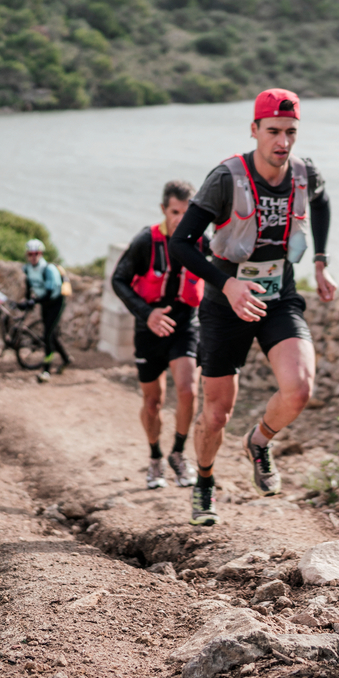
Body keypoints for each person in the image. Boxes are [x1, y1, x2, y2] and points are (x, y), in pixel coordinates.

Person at [168, 88, 336, 526]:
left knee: (299, 388)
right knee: (217, 411)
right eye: (274, 131)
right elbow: (181, 244)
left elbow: (321, 202)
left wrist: (320, 261)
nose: (283, 142)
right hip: (227, 303)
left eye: (291, 132)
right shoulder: (226, 178)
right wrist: (226, 286)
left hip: (278, 295)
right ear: (255, 130)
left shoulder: (304, 173)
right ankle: (204, 481)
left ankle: (259, 441)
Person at [111, 180, 207, 490]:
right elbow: (119, 280)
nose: (181, 218)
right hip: (149, 327)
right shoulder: (145, 242)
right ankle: (155, 457)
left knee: (188, 389)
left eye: (187, 211)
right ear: (163, 210)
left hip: (184, 324)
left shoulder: (203, 242)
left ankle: (178, 454)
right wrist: (146, 313)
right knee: (153, 402)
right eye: (174, 211)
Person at [22, 238, 71, 382]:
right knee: (51, 335)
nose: (33, 256)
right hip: (44, 303)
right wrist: (28, 301)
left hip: (55, 303)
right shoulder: (28, 269)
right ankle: (66, 359)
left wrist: (34, 301)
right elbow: (29, 286)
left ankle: (46, 370)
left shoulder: (48, 270)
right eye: (30, 254)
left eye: (36, 253)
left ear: (41, 253)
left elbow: (49, 293)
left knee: (47, 335)